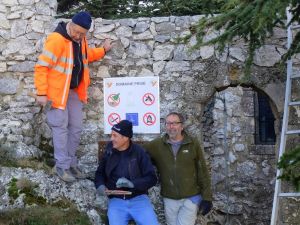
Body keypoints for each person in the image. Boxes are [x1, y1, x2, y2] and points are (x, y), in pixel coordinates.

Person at [34, 11, 112, 182]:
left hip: (74, 92)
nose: (78, 35)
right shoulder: (57, 39)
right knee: (60, 129)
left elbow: (86, 56)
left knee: (76, 128)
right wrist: (41, 93)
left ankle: (70, 163)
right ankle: (61, 166)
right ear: (70, 24)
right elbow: (42, 67)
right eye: (76, 31)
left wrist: (103, 50)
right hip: (56, 94)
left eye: (82, 33)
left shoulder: (80, 40)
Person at [143, 112, 213, 225]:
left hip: (190, 198)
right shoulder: (157, 145)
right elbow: (138, 152)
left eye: (174, 123)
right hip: (169, 198)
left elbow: (202, 171)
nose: (171, 127)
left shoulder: (192, 143)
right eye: (168, 123)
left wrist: (207, 197)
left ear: (182, 126)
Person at [94, 120, 159, 225]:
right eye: (111, 135)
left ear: (125, 138)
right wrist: (100, 185)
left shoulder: (139, 152)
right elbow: (99, 173)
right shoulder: (109, 151)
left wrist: (133, 184)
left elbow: (152, 178)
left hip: (139, 199)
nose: (111, 139)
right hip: (116, 200)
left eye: (115, 136)